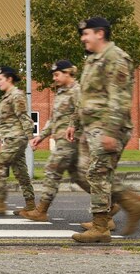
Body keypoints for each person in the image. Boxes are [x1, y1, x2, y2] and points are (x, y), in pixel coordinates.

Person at [71, 17, 140, 243]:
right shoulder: (93, 60)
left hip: (108, 127)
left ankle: (101, 226)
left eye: (86, 34)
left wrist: (111, 132)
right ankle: (132, 204)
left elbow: (120, 99)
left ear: (100, 34)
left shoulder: (117, 58)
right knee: (81, 172)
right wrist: (75, 125)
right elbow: (86, 97)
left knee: (98, 173)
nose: (83, 38)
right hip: (91, 128)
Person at [21, 60, 91, 222]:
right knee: (79, 177)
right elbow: (53, 119)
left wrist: (73, 127)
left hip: (71, 140)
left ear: (68, 73)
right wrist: (41, 136)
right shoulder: (61, 93)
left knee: (52, 169)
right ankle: (108, 206)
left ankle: (41, 210)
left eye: (57, 74)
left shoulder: (77, 91)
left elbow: (83, 112)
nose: (55, 78)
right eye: (54, 75)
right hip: (61, 139)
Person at [0, 66, 35, 216]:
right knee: (21, 172)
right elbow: (3, 122)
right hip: (10, 138)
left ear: (9, 79)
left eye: (0, 79)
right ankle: (30, 205)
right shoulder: (6, 97)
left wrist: (31, 138)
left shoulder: (16, 95)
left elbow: (24, 117)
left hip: (16, 139)